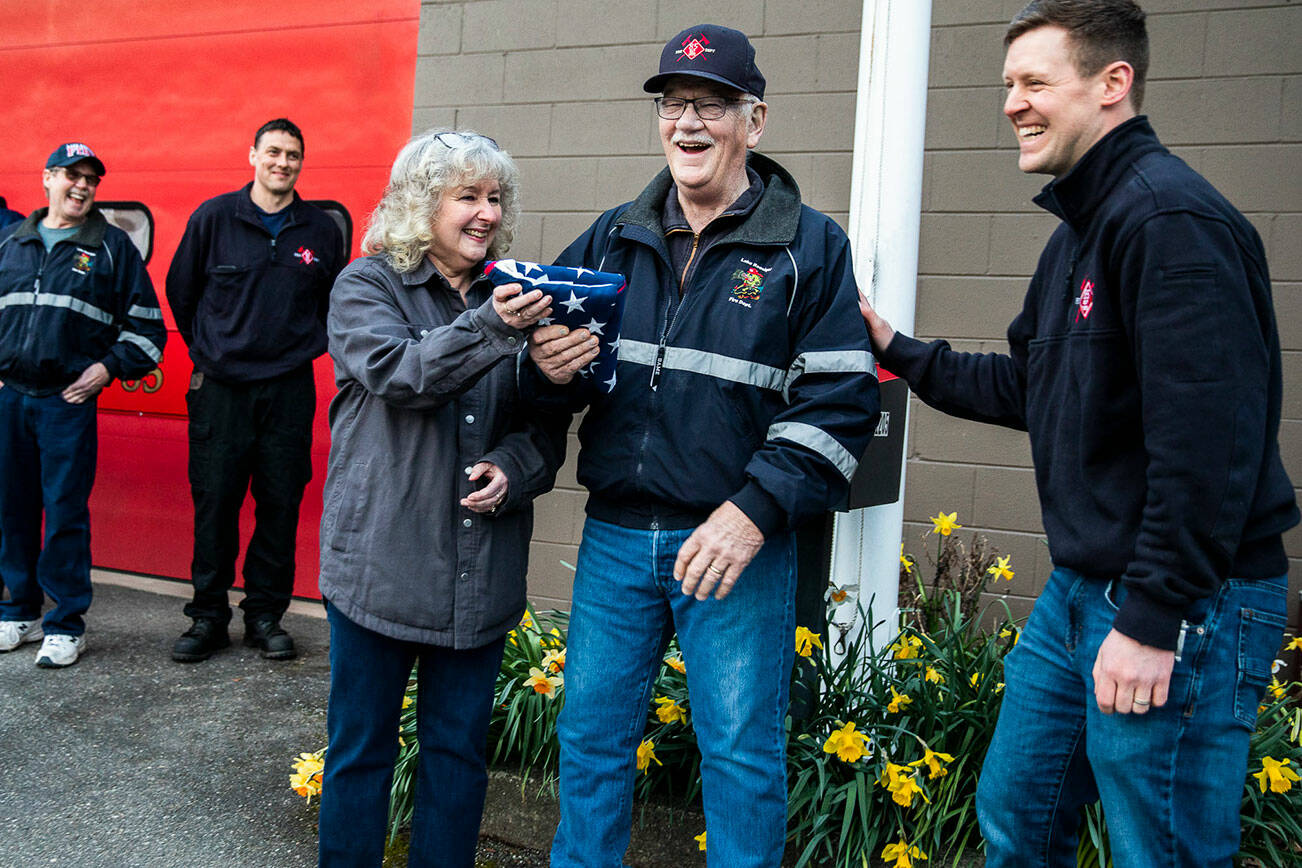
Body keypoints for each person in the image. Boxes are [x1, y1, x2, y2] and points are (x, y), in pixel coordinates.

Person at [859, 2, 1298, 865]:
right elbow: (1030, 385)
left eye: (1034, 82)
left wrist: (1153, 617)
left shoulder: (1169, 223)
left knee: (1160, 849)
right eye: (1007, 85)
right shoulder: (1080, 236)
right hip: (1081, 593)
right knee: (1018, 816)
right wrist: (895, 348)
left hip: (1179, 601)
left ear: (1112, 85)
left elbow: (1211, 444)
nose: (1013, 103)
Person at [527, 25, 880, 866]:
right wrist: (543, 366)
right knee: (591, 746)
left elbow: (840, 402)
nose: (688, 123)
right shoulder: (614, 236)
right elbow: (554, 372)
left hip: (733, 548)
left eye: (711, 106)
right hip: (616, 536)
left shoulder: (810, 247)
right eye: (674, 104)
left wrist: (752, 513)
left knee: (742, 759)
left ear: (753, 122)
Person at [316, 129, 571, 867]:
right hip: (381, 564)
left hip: (477, 571)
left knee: (457, 757)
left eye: (495, 198)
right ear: (421, 205)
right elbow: (401, 374)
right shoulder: (367, 286)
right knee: (360, 752)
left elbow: (544, 429)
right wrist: (495, 327)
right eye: (468, 197)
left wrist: (513, 467)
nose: (486, 214)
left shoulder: (521, 299)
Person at [166, 118, 344, 662]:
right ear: (253, 155)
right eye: (273, 152)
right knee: (215, 504)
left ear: (300, 163)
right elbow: (181, 292)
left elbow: (333, 303)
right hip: (222, 390)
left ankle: (266, 616)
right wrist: (210, 352)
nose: (282, 162)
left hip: (288, 390)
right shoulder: (214, 218)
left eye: (293, 154)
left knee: (280, 504)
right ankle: (207, 617)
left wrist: (300, 345)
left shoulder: (319, 230)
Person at [0, 143, 166, 668]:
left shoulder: (112, 248)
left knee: (66, 514)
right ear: (47, 177)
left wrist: (106, 369)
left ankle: (66, 624)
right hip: (11, 401)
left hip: (64, 404)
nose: (83, 186)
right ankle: (19, 611)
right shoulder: (12, 242)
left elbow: (147, 332)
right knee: (12, 511)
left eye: (91, 179)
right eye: (72, 175)